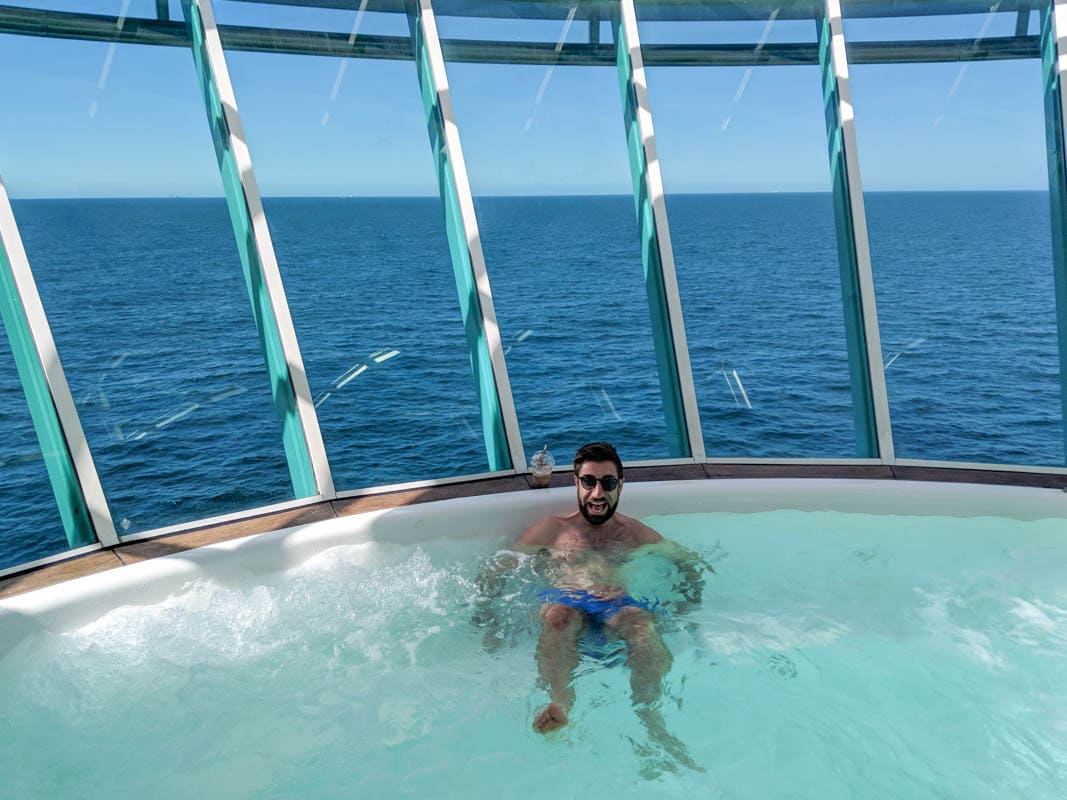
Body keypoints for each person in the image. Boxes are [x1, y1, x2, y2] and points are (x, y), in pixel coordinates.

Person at [478, 441, 706, 771]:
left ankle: (651, 717)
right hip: (565, 602)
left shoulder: (635, 534)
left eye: (608, 483)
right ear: (576, 483)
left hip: (617, 606)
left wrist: (686, 609)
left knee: (641, 623)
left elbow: (689, 562)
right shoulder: (553, 529)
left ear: (621, 486)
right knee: (559, 617)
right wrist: (486, 618)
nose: (597, 493)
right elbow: (497, 569)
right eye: (589, 482)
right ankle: (561, 706)